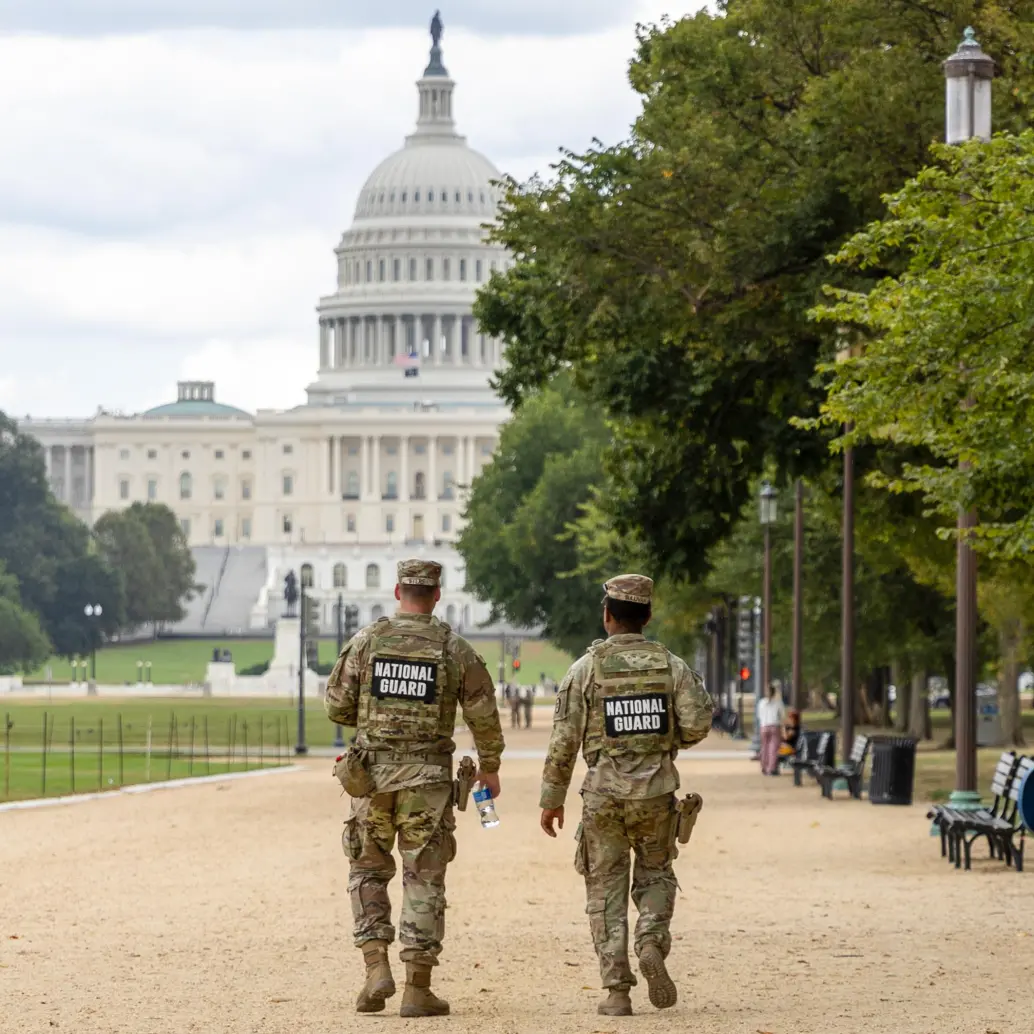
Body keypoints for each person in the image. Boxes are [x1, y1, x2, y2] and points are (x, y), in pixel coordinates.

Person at [325, 558, 504, 1017]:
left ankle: (375, 967)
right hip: (428, 781)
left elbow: (337, 706)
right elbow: (483, 713)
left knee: (367, 871)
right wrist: (490, 767)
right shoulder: (453, 648)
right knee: (424, 878)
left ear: (397, 591)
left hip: (372, 778)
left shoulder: (367, 642)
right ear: (437, 595)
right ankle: (416, 988)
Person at [539, 574, 713, 1017]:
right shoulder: (671, 666)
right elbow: (697, 722)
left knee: (605, 890)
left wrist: (552, 798)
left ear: (607, 615)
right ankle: (651, 940)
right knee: (656, 874)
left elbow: (564, 740)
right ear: (647, 616)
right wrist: (665, 744)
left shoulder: (586, 669)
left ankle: (617, 991)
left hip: (603, 795)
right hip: (656, 793)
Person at [757, 683, 786, 775]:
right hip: (774, 726)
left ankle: (764, 766)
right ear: (774, 693)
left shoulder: (761, 703)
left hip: (764, 726)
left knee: (764, 747)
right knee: (773, 748)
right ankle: (771, 768)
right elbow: (782, 716)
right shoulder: (778, 703)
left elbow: (759, 715)